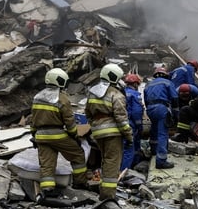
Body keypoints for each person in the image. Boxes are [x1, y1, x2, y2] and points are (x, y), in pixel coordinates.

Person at [30, 68, 88, 199]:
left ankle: (47, 190)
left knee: (47, 164)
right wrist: (74, 136)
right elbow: (69, 121)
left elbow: (33, 119)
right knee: (78, 155)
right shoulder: (62, 98)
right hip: (57, 135)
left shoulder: (37, 97)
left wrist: (33, 135)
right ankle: (80, 183)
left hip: (41, 136)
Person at [85, 64, 133, 199]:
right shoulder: (115, 94)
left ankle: (103, 189)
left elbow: (88, 113)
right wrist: (129, 136)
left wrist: (95, 127)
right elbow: (121, 118)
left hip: (98, 133)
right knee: (112, 162)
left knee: (105, 160)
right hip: (113, 133)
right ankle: (108, 195)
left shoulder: (92, 92)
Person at [143, 66, 178, 169]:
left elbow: (146, 100)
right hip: (161, 108)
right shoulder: (168, 83)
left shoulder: (148, 84)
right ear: (165, 75)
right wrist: (176, 114)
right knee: (163, 133)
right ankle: (161, 160)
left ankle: (154, 151)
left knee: (154, 129)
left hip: (150, 109)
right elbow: (174, 98)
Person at [173, 67, 198, 143]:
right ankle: (182, 134)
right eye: (183, 96)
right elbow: (175, 108)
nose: (184, 98)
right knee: (182, 112)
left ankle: (182, 135)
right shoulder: (175, 95)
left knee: (185, 111)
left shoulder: (196, 91)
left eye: (186, 96)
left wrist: (192, 104)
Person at [120, 73, 144, 171]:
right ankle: (124, 172)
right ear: (135, 84)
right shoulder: (135, 95)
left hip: (120, 123)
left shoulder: (121, 93)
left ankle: (129, 167)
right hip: (131, 124)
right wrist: (139, 126)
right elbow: (136, 112)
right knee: (129, 148)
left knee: (123, 147)